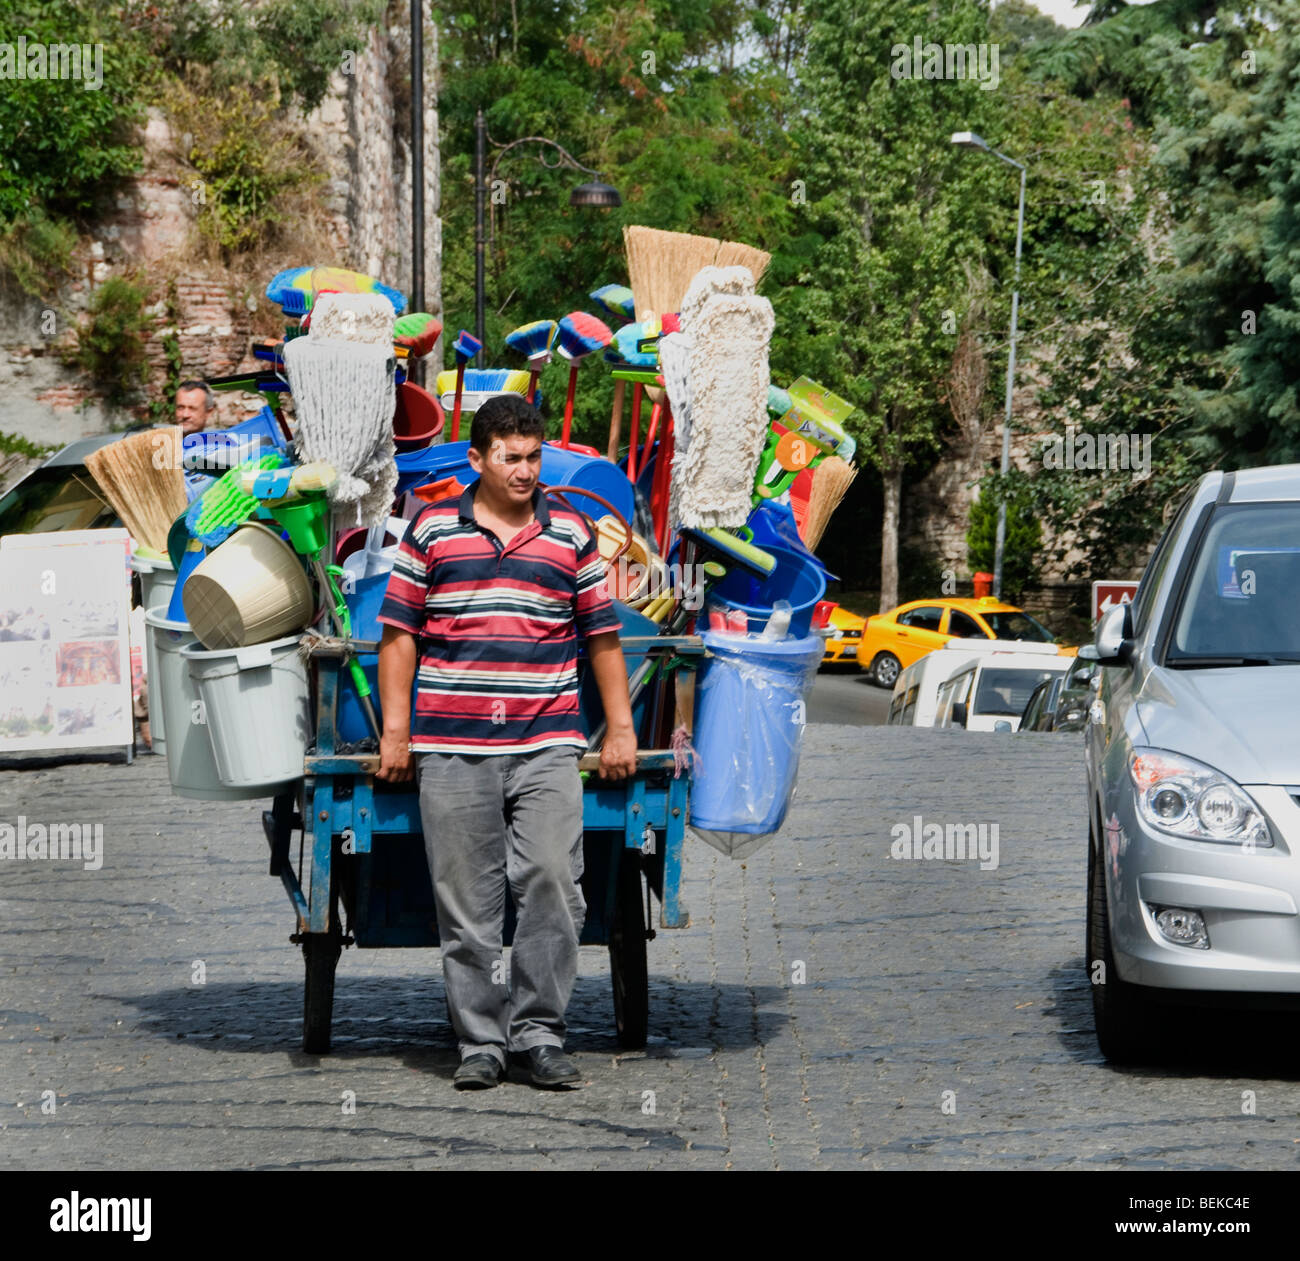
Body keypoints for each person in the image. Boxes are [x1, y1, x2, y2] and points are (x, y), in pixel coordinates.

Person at [375, 394, 637, 1091]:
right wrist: (395, 733)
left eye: (533, 456)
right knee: (466, 905)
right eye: (510, 457)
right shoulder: (432, 529)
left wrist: (621, 726)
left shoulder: (571, 533)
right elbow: (398, 636)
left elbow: (602, 637)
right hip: (452, 746)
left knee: (554, 881)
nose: (525, 471)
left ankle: (540, 1030)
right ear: (477, 459)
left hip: (548, 741)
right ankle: (481, 1042)